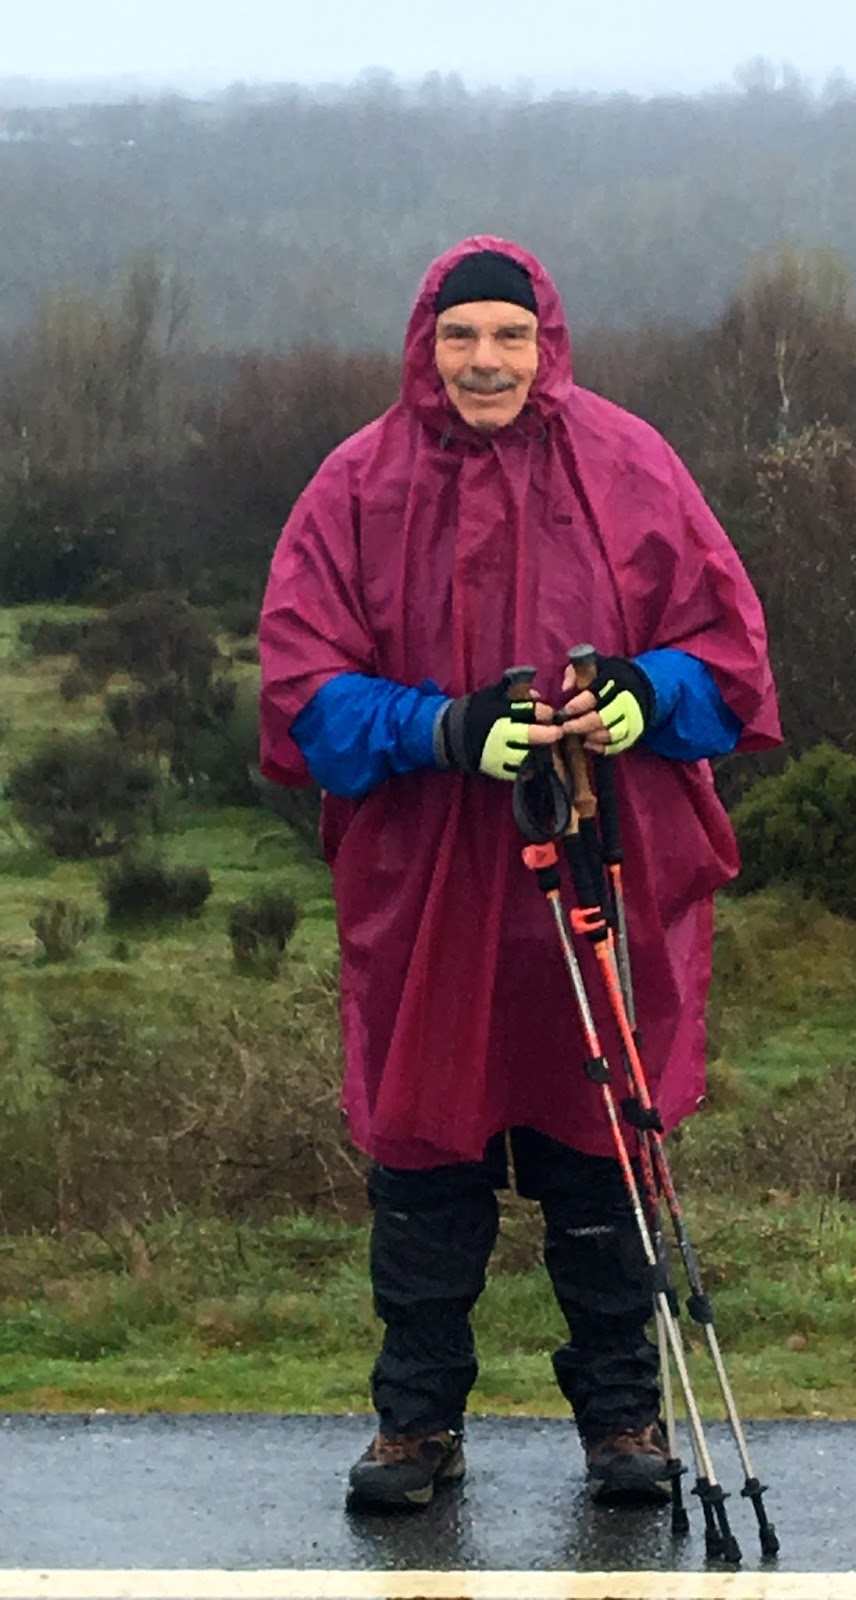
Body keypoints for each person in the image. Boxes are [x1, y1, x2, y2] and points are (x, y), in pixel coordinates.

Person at [257, 237, 781, 1512]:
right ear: (424, 345)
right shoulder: (355, 485)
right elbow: (301, 688)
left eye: (507, 336)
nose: (484, 361)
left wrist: (645, 697)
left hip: (601, 867)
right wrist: (438, 728)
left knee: (600, 1143)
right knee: (424, 1160)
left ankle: (622, 1418)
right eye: (460, 337)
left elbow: (729, 657)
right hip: (429, 883)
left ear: (546, 341)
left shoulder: (630, 463)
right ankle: (416, 1423)